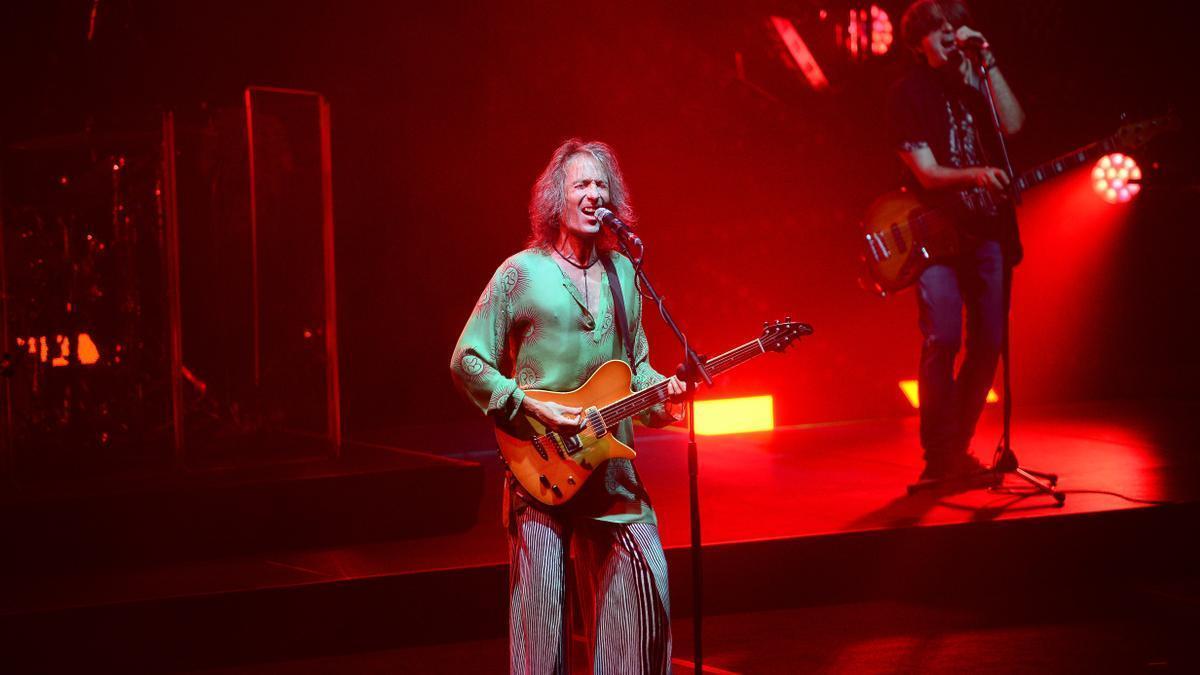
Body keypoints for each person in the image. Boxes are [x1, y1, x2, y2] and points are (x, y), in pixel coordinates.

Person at [450, 139, 685, 673]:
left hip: (610, 474)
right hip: (540, 470)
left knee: (645, 596)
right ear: (557, 197)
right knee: (542, 633)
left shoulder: (625, 272)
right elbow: (468, 361)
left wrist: (664, 401)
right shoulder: (520, 273)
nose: (593, 194)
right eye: (581, 184)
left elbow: (637, 368)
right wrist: (527, 404)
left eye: (602, 185)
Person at [887, 0, 1026, 482]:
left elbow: (1013, 125)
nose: (949, 36)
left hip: (988, 229)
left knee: (988, 341)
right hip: (936, 233)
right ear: (916, 44)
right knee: (943, 335)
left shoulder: (977, 86)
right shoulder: (909, 92)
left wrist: (987, 61)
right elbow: (925, 171)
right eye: (936, 30)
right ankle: (937, 455)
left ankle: (956, 448)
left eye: (953, 27)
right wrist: (977, 176)